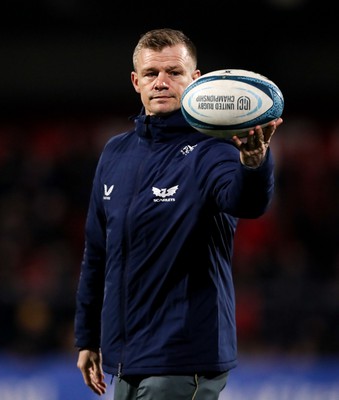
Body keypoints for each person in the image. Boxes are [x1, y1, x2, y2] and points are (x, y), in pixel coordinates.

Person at [75, 28, 283, 400]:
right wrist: (88, 336)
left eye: (174, 72)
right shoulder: (115, 153)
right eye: (152, 74)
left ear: (196, 80)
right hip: (126, 361)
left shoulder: (213, 149)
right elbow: (97, 252)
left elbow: (247, 203)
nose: (162, 82)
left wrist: (254, 165)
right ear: (136, 81)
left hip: (183, 359)